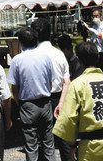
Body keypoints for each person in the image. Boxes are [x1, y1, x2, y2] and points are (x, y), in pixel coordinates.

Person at [53, 42, 103, 161]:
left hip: (90, 148)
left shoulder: (77, 85)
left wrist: (72, 146)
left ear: (78, 59)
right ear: (98, 57)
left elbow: (68, 119)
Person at [7, 28, 55, 161]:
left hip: (27, 104)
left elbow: (14, 88)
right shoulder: (45, 58)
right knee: (48, 142)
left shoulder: (17, 60)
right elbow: (50, 83)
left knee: (31, 144)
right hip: (45, 102)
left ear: (20, 42)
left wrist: (19, 102)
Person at [32, 19, 71, 161]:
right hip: (59, 97)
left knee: (43, 140)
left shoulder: (32, 55)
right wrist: (61, 102)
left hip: (39, 100)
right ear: (50, 33)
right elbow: (67, 81)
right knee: (63, 139)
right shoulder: (59, 53)